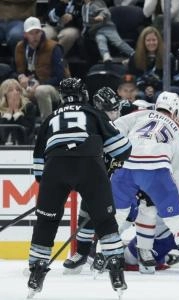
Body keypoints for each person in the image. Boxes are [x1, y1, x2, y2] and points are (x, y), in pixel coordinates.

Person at [28, 78, 132, 297]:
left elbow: (38, 161)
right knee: (104, 221)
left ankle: (36, 271)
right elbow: (123, 148)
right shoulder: (93, 113)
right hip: (89, 167)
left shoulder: (49, 119)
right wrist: (110, 163)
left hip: (54, 168)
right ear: (84, 94)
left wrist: (47, 185)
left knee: (46, 221)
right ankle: (115, 270)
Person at [111, 91, 179, 277]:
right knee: (172, 218)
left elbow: (114, 127)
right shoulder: (178, 134)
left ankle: (104, 252)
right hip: (156, 172)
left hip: (127, 168)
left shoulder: (142, 113)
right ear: (178, 112)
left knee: (124, 214)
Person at [14, 17, 65, 121]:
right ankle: (19, 127)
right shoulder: (20, 47)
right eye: (31, 33)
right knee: (11, 90)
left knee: (41, 90)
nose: (35, 36)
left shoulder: (54, 47)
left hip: (54, 88)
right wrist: (20, 77)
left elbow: (60, 77)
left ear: (42, 32)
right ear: (25, 34)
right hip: (29, 86)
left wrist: (40, 84)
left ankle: (47, 126)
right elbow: (13, 70)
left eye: (37, 32)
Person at [127, 26, 175, 102]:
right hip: (141, 89)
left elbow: (171, 79)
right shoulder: (134, 57)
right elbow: (132, 78)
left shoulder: (168, 57)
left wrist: (154, 88)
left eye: (154, 40)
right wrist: (145, 88)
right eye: (148, 40)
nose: (151, 43)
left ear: (158, 41)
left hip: (160, 89)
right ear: (143, 42)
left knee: (159, 96)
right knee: (139, 96)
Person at [0, 79, 36, 145]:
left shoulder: (29, 107)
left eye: (18, 90)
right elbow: (2, 135)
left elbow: (28, 132)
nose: (15, 92)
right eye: (11, 90)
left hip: (24, 149)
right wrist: (8, 113)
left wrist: (17, 112)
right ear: (4, 94)